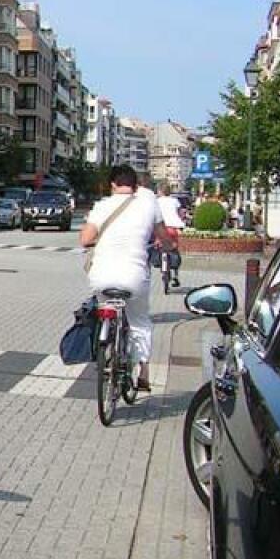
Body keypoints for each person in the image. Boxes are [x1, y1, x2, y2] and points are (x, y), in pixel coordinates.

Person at [81, 164, 175, 393]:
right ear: (135, 186)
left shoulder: (102, 206)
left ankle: (106, 341)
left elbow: (85, 239)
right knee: (139, 321)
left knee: (105, 306)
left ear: (112, 184)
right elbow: (164, 237)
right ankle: (143, 371)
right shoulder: (148, 206)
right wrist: (168, 246)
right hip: (134, 277)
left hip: (101, 276)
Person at [155, 184, 185, 288]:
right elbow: (180, 213)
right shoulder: (175, 201)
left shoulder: (156, 201)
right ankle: (176, 275)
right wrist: (181, 222)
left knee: (159, 246)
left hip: (160, 228)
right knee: (174, 249)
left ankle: (160, 263)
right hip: (173, 228)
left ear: (160, 191)